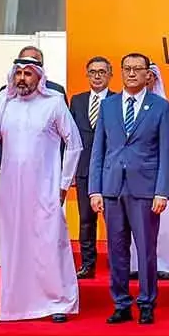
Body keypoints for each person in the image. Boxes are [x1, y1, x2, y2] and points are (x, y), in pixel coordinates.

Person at [0, 57, 82, 322]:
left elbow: (74, 144)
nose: (22, 78)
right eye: (18, 73)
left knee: (49, 243)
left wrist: (64, 184)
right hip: (12, 190)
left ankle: (59, 303)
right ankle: (18, 304)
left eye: (28, 73)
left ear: (39, 77)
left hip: (46, 189)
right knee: (16, 244)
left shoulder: (53, 102)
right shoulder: (2, 103)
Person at [89, 53, 169, 325]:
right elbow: (98, 151)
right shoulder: (109, 106)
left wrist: (162, 191)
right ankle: (121, 303)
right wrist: (95, 189)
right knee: (116, 249)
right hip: (112, 187)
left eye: (138, 69)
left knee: (146, 248)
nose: (132, 74)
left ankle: (147, 301)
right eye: (127, 68)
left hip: (145, 189)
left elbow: (166, 153)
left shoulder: (161, 107)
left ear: (147, 73)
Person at [130, 63, 169, 281]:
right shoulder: (126, 107)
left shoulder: (166, 108)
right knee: (132, 223)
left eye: (150, 77)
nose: (146, 80)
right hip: (133, 176)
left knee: (163, 225)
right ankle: (134, 264)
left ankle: (163, 264)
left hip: (160, 176)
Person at [68, 55, 114, 278]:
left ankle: (118, 264)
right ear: (87, 75)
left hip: (112, 171)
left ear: (110, 75)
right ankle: (88, 265)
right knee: (86, 221)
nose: (97, 76)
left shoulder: (118, 100)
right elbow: (69, 138)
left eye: (102, 72)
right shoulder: (77, 101)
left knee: (115, 222)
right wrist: (71, 171)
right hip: (85, 170)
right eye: (92, 72)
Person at [0, 45, 66, 171]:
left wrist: (61, 166)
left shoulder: (56, 93)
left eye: (31, 62)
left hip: (45, 166)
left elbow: (63, 133)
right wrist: (1, 161)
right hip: (13, 163)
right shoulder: (6, 93)